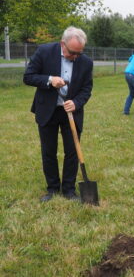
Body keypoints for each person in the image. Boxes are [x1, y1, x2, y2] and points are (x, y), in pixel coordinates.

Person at [23, 26, 93, 202]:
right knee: (49, 151)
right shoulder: (45, 51)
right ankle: (53, 189)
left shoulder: (85, 62)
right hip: (48, 109)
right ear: (63, 44)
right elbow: (28, 76)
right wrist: (49, 80)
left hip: (71, 112)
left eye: (79, 53)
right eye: (72, 53)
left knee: (72, 152)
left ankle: (69, 190)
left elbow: (87, 88)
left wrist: (76, 102)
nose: (76, 57)